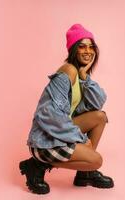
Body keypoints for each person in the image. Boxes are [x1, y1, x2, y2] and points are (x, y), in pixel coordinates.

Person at [19, 23, 114, 194]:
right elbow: (48, 114)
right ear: (74, 49)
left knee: (99, 116)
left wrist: (85, 77)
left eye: (91, 46)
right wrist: (81, 139)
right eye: (82, 46)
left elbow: (98, 102)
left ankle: (84, 175)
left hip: (60, 134)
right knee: (96, 160)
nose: (88, 51)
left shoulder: (78, 74)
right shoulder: (67, 72)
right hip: (45, 142)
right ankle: (36, 165)